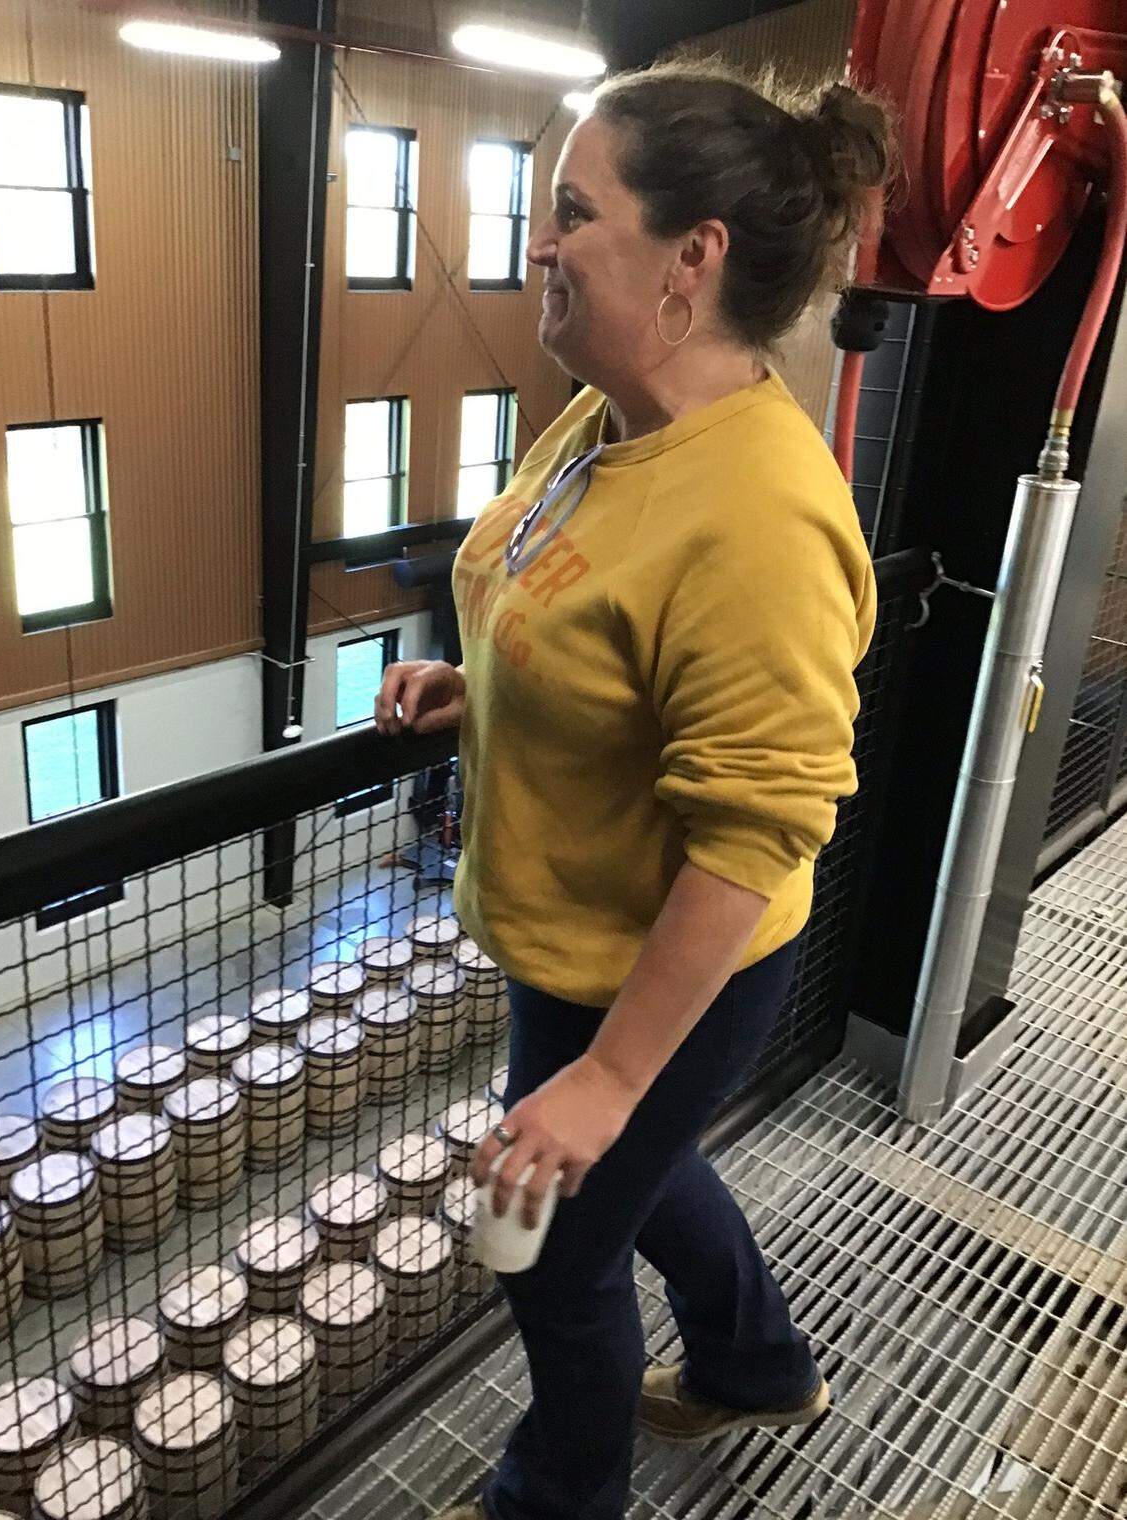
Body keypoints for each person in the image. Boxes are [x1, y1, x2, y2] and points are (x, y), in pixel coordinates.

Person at [374, 58, 892, 1520]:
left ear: (692, 259)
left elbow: (758, 830)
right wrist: (489, 686)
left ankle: (560, 1496)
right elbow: (597, 628)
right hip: (570, 930)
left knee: (563, 1243)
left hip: (663, 956)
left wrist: (608, 1076)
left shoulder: (763, 517)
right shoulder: (610, 421)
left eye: (570, 213)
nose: (539, 244)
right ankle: (758, 1360)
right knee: (630, 1169)